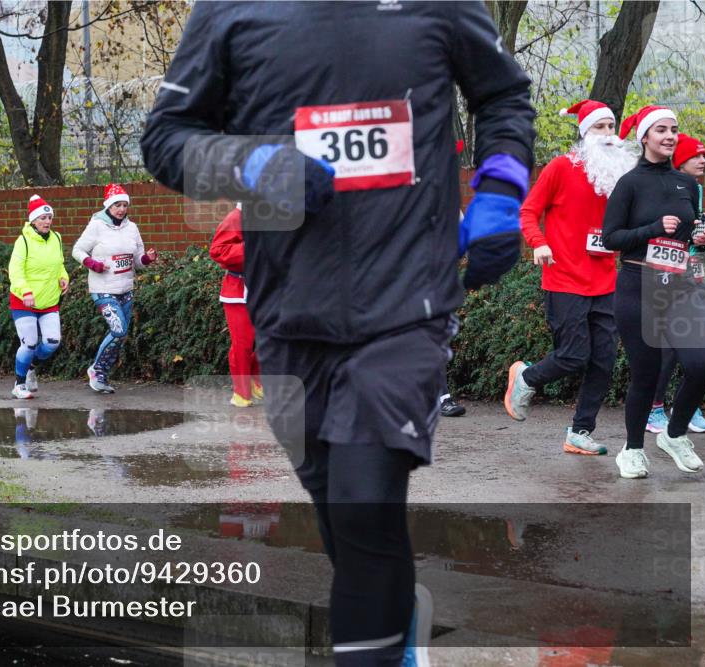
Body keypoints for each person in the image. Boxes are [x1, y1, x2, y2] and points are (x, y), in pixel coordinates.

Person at [140, 4, 535, 665]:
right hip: (287, 309)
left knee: (361, 498)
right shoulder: (232, 10)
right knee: (338, 510)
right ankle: (395, 616)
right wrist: (253, 165)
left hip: (408, 300)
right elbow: (166, 139)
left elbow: (503, 95)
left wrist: (500, 189)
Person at [505, 100, 637, 455]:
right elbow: (529, 211)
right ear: (584, 132)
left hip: (605, 279)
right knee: (574, 356)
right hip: (564, 278)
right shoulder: (561, 168)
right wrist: (539, 243)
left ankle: (580, 432)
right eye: (600, 127)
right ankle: (526, 377)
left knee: (604, 359)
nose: (608, 135)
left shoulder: (620, 176)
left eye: (611, 127)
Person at [602, 105, 705, 478]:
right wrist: (651, 228)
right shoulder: (629, 183)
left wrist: (700, 237)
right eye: (661, 129)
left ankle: (674, 433)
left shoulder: (688, 185)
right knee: (646, 375)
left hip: (678, 287)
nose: (669, 136)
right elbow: (610, 238)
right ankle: (632, 450)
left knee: (702, 364)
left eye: (674, 129)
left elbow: (688, 236)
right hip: (638, 286)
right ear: (644, 137)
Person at [645, 133, 705, 434]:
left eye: (703, 155)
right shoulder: (663, 184)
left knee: (695, 343)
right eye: (696, 155)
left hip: (691, 272)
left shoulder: (694, 188)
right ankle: (653, 409)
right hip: (662, 274)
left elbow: (691, 233)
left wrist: (702, 240)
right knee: (667, 347)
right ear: (680, 160)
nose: (703, 160)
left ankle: (687, 406)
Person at [72, 184, 157, 394]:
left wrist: (147, 259)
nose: (121, 209)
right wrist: (93, 264)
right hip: (102, 288)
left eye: (124, 205)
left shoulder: (132, 228)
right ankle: (96, 370)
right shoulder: (97, 225)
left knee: (121, 335)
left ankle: (101, 374)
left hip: (126, 288)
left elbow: (137, 260)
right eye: (117, 205)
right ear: (108, 206)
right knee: (118, 330)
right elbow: (77, 250)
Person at [7, 195, 69, 399]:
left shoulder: (56, 238)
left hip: (49, 301)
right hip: (24, 301)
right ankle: (19, 384)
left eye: (49, 217)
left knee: (52, 342)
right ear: (33, 220)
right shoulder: (23, 241)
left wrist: (63, 277)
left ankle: (31, 366)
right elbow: (15, 270)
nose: (47, 221)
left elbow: (59, 264)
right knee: (30, 343)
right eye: (42, 218)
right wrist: (25, 291)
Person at [209, 203, 264, 407]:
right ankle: (242, 392)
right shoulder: (236, 217)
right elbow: (218, 250)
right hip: (239, 291)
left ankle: (256, 379)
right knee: (243, 344)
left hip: (268, 288)